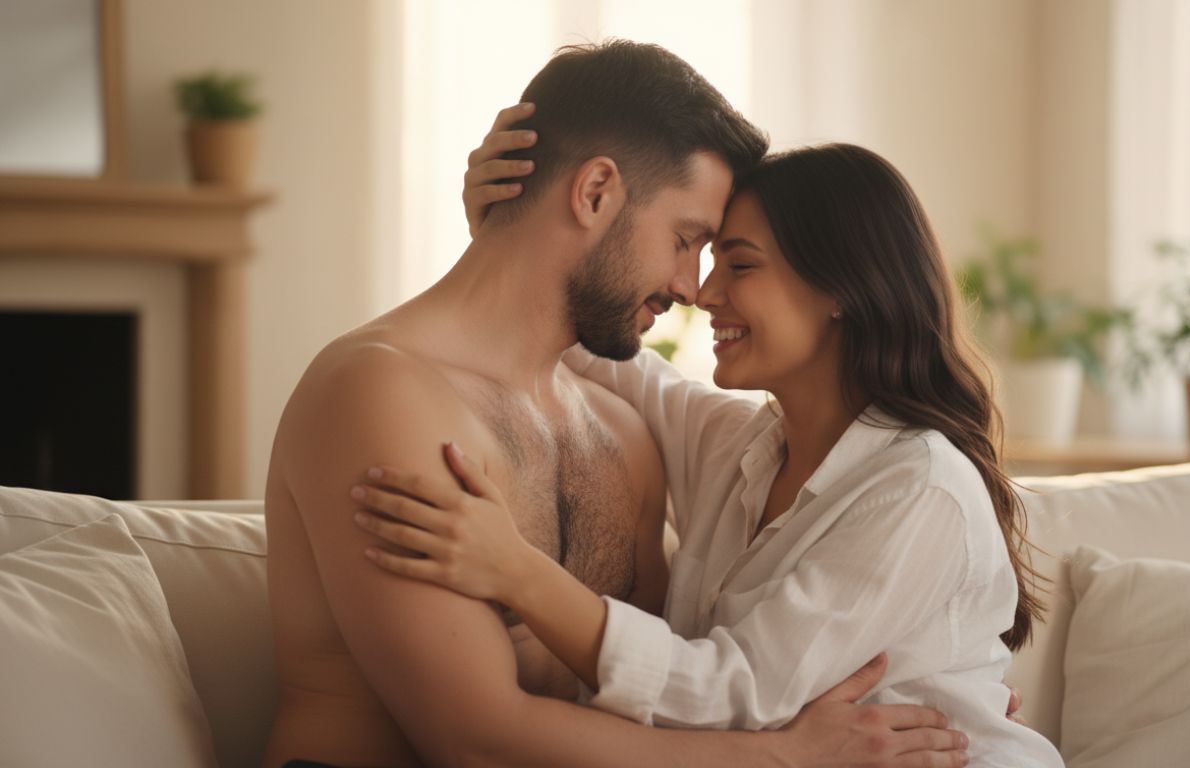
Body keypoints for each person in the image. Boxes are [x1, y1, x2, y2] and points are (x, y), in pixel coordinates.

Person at [263, 40, 973, 768]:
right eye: (687, 240)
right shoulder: (380, 394)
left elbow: (677, 691)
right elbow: (475, 743)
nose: (694, 288)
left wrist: (935, 688)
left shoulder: (625, 433)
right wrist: (787, 759)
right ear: (596, 191)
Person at [349, 130, 1064, 766]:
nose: (704, 292)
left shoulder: (919, 488)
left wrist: (516, 571)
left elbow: (734, 692)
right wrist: (519, 237)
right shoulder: (741, 447)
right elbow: (597, 342)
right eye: (706, 257)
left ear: (841, 289)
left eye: (740, 266)